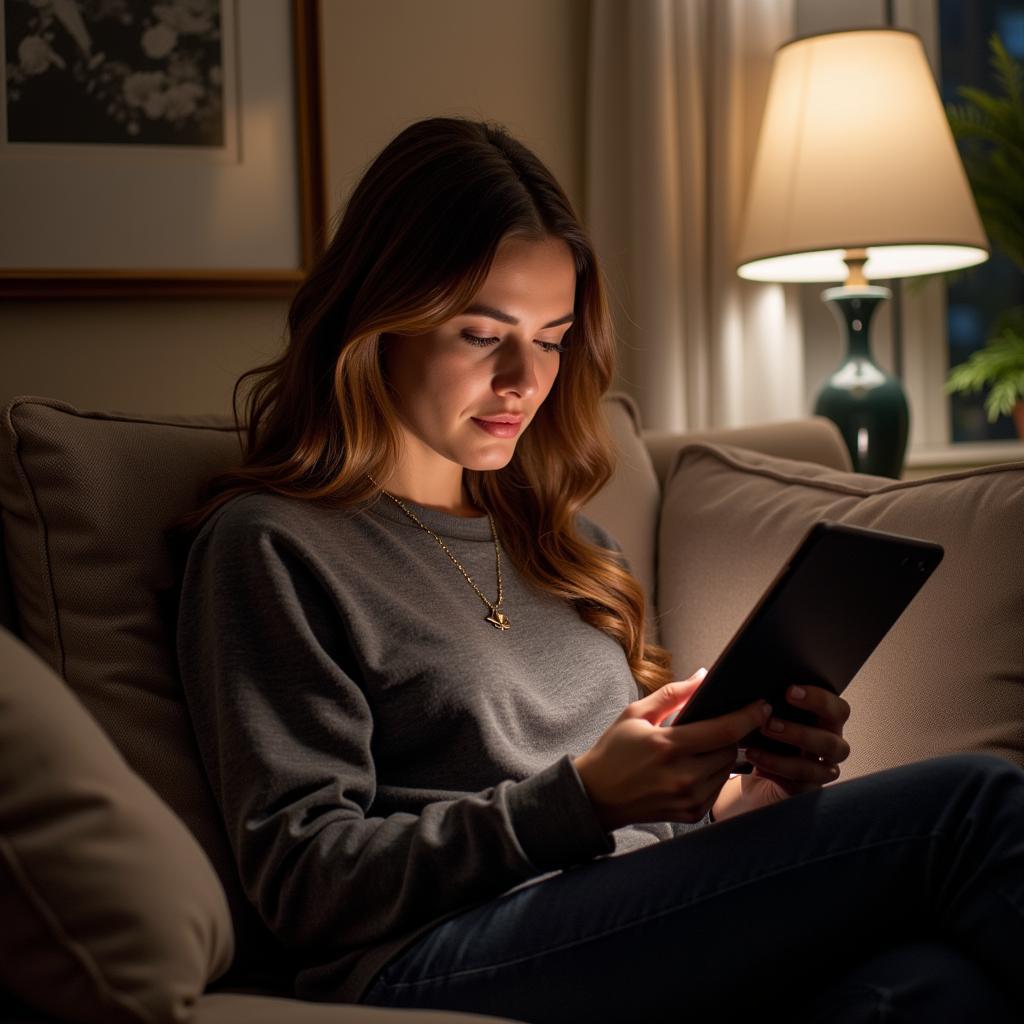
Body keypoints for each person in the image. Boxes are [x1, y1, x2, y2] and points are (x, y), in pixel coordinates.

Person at [172, 116, 1024, 1023]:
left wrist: (745, 795)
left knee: (932, 987)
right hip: (431, 954)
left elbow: (644, 843)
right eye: (479, 333)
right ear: (379, 321)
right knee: (972, 802)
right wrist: (576, 799)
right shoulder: (272, 545)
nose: (523, 380)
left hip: (616, 925)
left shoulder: (572, 548)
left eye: (550, 339)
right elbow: (303, 879)